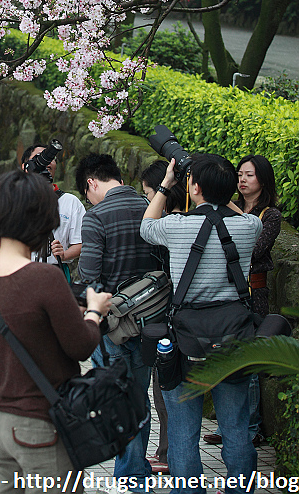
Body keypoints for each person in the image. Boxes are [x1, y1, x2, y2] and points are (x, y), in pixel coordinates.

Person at [0, 170, 111, 493]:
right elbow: (80, 346)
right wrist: (93, 312)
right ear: (41, 219)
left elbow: (27, 328)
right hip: (40, 427)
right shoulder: (44, 278)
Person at [140, 154, 262, 494]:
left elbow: (146, 227)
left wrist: (167, 183)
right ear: (231, 189)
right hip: (233, 339)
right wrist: (220, 200)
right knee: (236, 427)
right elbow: (237, 214)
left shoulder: (177, 226)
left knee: (183, 430)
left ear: (193, 187)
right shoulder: (250, 227)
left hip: (186, 341)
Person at [75, 153, 159, 493]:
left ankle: (130, 477)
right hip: (153, 321)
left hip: (113, 326)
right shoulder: (151, 207)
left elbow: (90, 277)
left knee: (116, 398)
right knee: (140, 393)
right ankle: (137, 469)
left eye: (86, 193)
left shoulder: (96, 217)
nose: (88, 199)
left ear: (92, 183)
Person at [203, 153, 281, 448]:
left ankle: (251, 428)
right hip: (228, 291)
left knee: (247, 363)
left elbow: (255, 249)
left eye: (249, 175)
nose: (242, 180)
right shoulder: (226, 211)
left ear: (263, 179)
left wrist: (229, 207)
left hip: (253, 295)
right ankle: (231, 427)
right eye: (239, 174)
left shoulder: (270, 215)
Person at [140, 160, 186, 475]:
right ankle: (169, 452)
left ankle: (169, 454)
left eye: (150, 193)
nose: (148, 201)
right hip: (189, 318)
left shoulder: (170, 225)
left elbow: (147, 229)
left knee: (166, 389)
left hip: (171, 318)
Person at [21, 144, 84, 265]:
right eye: (39, 157)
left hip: (56, 271)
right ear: (25, 167)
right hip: (21, 271)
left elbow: (81, 242)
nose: (47, 161)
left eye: (52, 157)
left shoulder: (70, 201)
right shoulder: (14, 199)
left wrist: (64, 255)